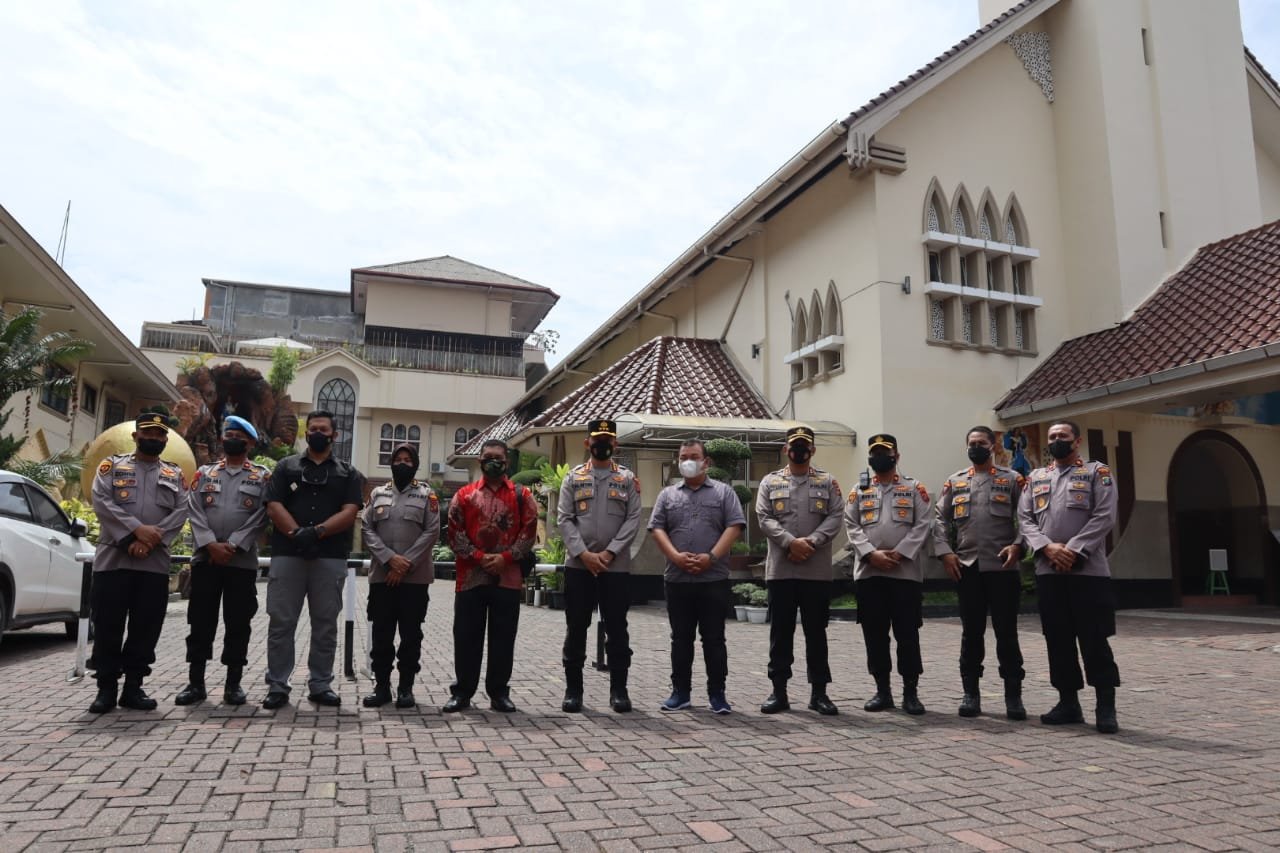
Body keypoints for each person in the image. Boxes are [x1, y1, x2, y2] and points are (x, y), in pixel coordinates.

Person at [1017, 420, 1120, 734]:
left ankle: (1105, 706)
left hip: (1088, 572)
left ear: (1077, 441)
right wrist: (1047, 548)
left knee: (1094, 638)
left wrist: (1073, 549)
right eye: (1052, 437)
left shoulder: (1096, 472)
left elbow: (1105, 515)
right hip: (1049, 571)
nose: (1056, 440)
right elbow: (1025, 519)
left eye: (1062, 436)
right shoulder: (1036, 477)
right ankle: (1068, 703)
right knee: (1058, 639)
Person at [261, 410, 365, 709]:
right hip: (288, 553)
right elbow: (274, 504)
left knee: (325, 624)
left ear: (335, 435)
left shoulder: (348, 473)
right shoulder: (286, 467)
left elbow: (350, 511)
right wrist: (297, 533)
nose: (318, 433)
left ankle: (320, 684)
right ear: (306, 433)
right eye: (313, 429)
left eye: (324, 429)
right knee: (281, 622)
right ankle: (277, 685)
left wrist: (317, 532)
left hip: (329, 557)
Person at [88, 412, 190, 713]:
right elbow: (101, 502)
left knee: (145, 629)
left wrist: (150, 540)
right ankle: (106, 689)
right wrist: (135, 532)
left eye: (159, 435)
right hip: (113, 561)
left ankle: (133, 688)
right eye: (147, 433)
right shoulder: (111, 467)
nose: (153, 439)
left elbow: (182, 510)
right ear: (135, 436)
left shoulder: (174, 474)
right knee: (107, 627)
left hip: (153, 564)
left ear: (165, 440)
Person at [933, 425, 1027, 720]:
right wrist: (945, 551)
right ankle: (970, 694)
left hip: (1002, 568)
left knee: (1007, 634)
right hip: (968, 568)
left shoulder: (1012, 479)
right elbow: (938, 518)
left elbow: (1028, 517)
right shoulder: (956, 481)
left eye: (982, 443)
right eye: (972, 443)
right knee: (971, 634)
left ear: (994, 445)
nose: (976, 447)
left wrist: (1018, 545)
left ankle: (1013, 697)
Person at [176, 416, 272, 706]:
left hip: (240, 563)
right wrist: (210, 544)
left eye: (239, 437)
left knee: (238, 623)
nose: (233, 440)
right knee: (200, 622)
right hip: (206, 560)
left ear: (250, 443)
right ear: (222, 439)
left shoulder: (262, 477)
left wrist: (232, 544)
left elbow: (263, 515)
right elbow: (193, 508)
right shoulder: (205, 473)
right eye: (229, 434)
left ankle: (233, 684)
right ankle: (195, 683)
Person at [648, 439, 746, 714]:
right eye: (683, 457)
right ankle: (680, 693)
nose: (687, 462)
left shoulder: (724, 493)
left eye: (693, 456)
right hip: (677, 579)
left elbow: (734, 526)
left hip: (713, 578)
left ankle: (718, 694)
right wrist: (675, 556)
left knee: (714, 639)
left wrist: (711, 557)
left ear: (706, 462)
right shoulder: (667, 495)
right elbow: (657, 529)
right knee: (680, 639)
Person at [755, 425, 845, 716]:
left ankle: (819, 694)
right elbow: (764, 517)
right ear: (786, 449)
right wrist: (790, 542)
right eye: (794, 445)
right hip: (781, 571)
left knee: (816, 634)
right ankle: (778, 692)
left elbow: (836, 515)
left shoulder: (827, 482)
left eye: (805, 445)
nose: (799, 450)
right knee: (780, 634)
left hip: (815, 572)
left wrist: (812, 542)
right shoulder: (770, 481)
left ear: (813, 450)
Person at [444, 439, 538, 713]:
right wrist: (479, 557)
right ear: (480, 461)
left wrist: (505, 558)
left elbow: (529, 532)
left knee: (503, 638)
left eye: (498, 457)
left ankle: (499, 693)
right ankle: (462, 692)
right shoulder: (464, 495)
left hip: (507, 578)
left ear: (507, 461)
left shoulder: (523, 495)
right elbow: (454, 533)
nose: (493, 462)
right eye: (488, 457)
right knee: (466, 637)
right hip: (470, 578)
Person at [556, 418, 643, 713]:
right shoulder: (573, 478)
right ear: (587, 443)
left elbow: (633, 519)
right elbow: (564, 519)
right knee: (576, 627)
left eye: (607, 440)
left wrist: (609, 553)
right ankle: (573, 691)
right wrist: (584, 554)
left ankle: (619, 690)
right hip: (579, 567)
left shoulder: (627, 479)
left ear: (615, 444)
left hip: (614, 567)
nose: (602, 444)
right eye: (597, 440)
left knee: (617, 629)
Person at [843, 433, 933, 715]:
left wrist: (900, 553)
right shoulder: (859, 490)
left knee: (908, 635)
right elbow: (851, 524)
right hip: (869, 574)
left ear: (897, 456)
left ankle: (911, 693)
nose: (880, 457)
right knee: (875, 636)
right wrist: (871, 553)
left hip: (904, 574)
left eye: (885, 452)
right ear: (870, 457)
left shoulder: (914, 488)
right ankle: (882, 691)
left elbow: (923, 523)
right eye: (875, 453)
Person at [360, 443, 439, 709]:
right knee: (381, 635)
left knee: (410, 635)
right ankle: (381, 687)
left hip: (414, 580)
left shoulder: (427, 495)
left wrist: (404, 564)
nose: (402, 463)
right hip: (382, 578)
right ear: (391, 464)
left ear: (415, 465)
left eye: (408, 460)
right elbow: (367, 528)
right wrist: (389, 559)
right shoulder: (377, 493)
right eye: (398, 459)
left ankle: (406, 688)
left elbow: (432, 532)